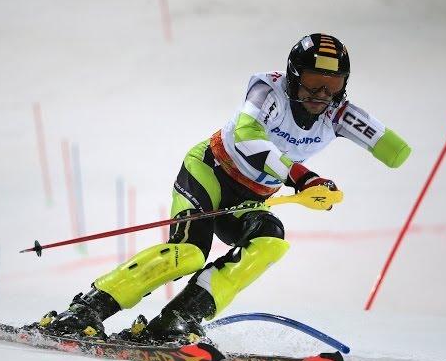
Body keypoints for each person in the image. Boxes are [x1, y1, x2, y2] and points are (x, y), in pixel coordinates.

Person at [27, 33, 411, 344]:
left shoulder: (339, 112)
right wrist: (301, 176)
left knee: (270, 242)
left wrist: (340, 173)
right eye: (312, 84)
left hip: (250, 197)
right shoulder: (267, 88)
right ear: (293, 78)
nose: (320, 97)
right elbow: (246, 136)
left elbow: (397, 154)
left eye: (332, 86)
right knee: (188, 253)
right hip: (210, 171)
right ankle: (86, 310)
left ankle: (179, 318)